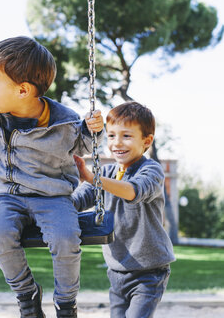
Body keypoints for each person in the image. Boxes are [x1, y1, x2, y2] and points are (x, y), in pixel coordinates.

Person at [0, 36, 104, 318]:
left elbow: (85, 146)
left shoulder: (64, 121)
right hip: (9, 195)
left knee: (66, 238)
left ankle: (65, 302)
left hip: (53, 197)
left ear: (23, 90)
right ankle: (27, 294)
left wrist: (92, 130)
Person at [72, 101, 175, 318]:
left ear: (146, 141)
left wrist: (93, 178)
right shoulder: (107, 173)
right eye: (111, 136)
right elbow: (77, 201)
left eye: (126, 136)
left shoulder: (151, 170)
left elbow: (133, 192)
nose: (117, 143)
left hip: (149, 273)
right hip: (117, 272)